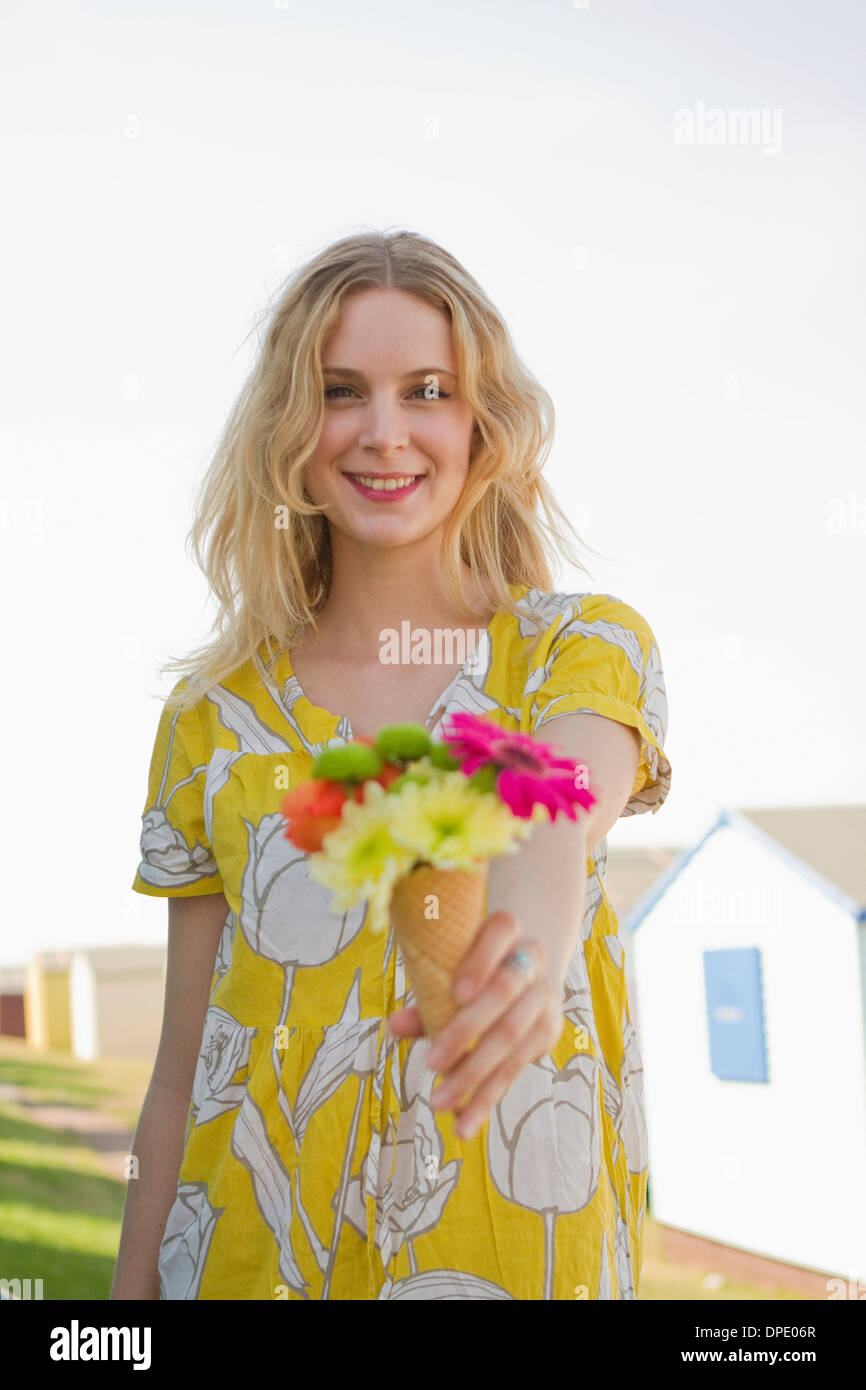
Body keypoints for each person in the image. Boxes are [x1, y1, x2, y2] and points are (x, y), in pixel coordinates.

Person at [111, 229, 671, 1301]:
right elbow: (186, 1063)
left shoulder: (575, 646)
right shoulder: (209, 717)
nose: (382, 434)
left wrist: (522, 955)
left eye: (425, 390)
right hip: (241, 1269)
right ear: (288, 424)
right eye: (338, 391)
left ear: (479, 423)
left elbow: (556, 800)